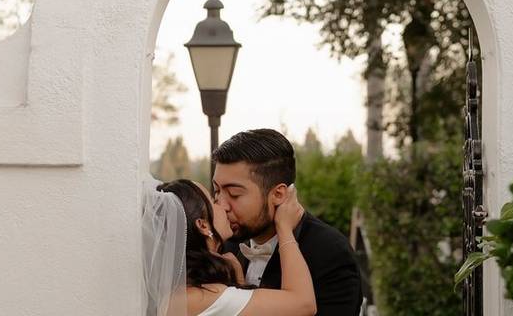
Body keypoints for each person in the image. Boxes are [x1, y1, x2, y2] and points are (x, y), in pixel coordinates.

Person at [212, 129, 363, 316]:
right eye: (217, 190)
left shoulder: (329, 252)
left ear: (278, 194)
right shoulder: (225, 247)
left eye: (234, 193)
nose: (221, 205)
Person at [145, 177, 317, 316]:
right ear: (203, 225)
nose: (223, 206)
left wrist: (238, 283)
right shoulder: (199, 297)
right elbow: (304, 304)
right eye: (214, 201)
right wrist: (285, 229)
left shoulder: (184, 292)